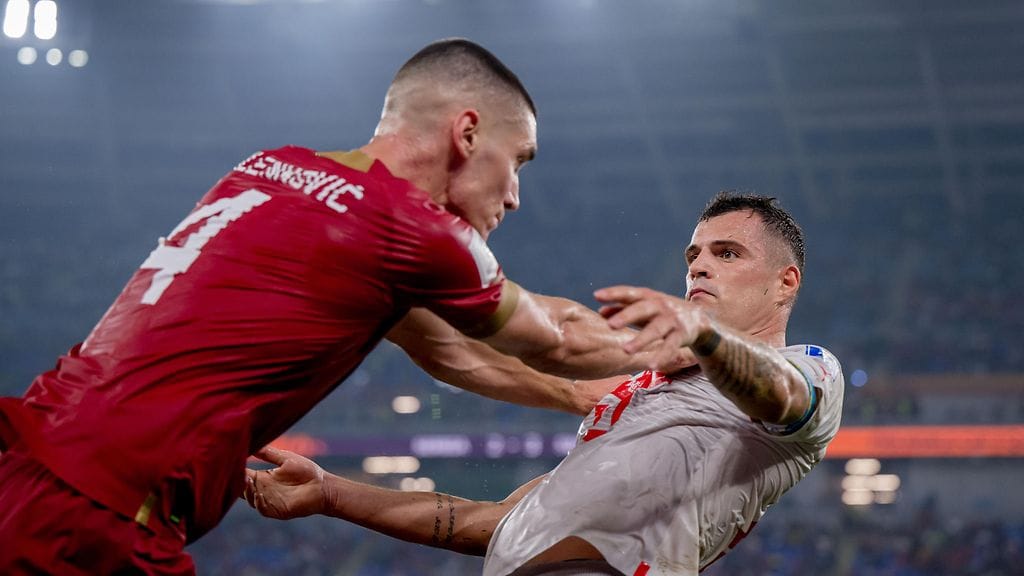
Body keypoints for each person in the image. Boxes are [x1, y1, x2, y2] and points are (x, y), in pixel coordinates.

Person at [0, 39, 687, 575]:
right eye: (520, 161)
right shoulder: (410, 227)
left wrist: (579, 398)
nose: (514, 195)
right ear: (468, 133)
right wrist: (703, 336)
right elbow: (559, 335)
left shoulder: (271, 169)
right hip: (96, 512)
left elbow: (448, 349)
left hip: (32, 460)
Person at [243, 192, 845, 576]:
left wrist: (705, 336)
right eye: (694, 255)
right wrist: (330, 494)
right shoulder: (633, 404)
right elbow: (489, 522)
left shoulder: (810, 370)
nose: (699, 266)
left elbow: (779, 393)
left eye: (728, 253)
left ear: (785, 282)